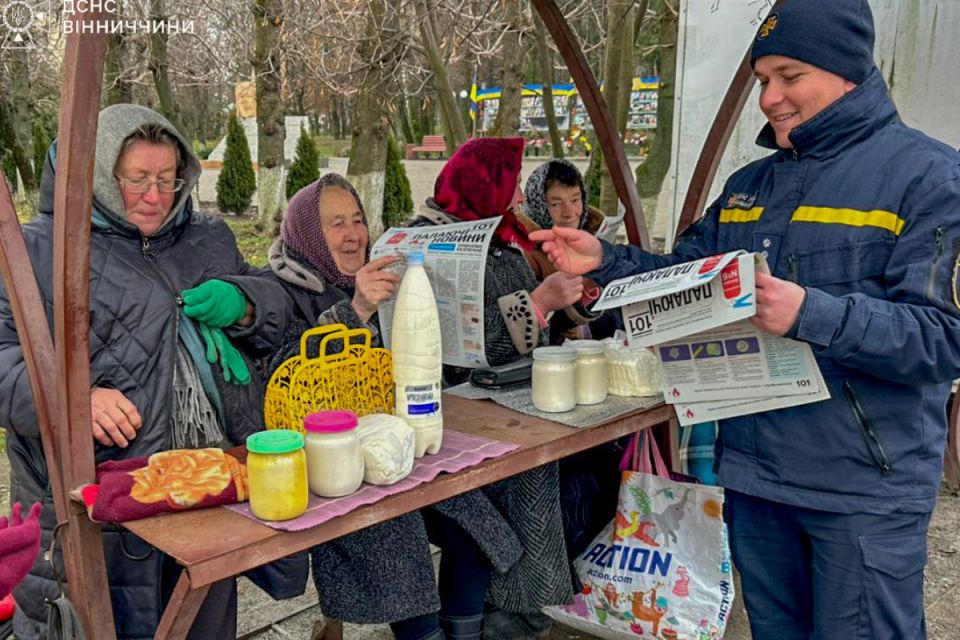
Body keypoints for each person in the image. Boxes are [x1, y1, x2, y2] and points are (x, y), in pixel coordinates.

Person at [531, 2, 960, 638]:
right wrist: (609, 260)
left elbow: (944, 336)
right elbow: (683, 275)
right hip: (757, 480)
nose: (770, 99)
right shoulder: (748, 187)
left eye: (789, 76)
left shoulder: (929, 176)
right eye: (762, 80)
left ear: (847, 69)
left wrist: (812, 313)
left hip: (862, 491)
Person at [0, 104, 300, 639]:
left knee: (205, 620)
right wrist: (75, 399)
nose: (155, 196)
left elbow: (275, 306)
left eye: (167, 179)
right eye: (137, 179)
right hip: (90, 503)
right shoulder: (35, 252)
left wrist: (245, 302)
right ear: (97, 176)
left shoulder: (206, 238)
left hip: (205, 486)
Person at [265, 170, 574, 640]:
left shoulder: (381, 275)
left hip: (401, 449)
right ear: (308, 231)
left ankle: (469, 631)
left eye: (356, 219)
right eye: (334, 224)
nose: (352, 235)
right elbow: (285, 375)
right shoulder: (280, 291)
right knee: (396, 535)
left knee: (476, 524)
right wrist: (357, 309)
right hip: (336, 469)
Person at [519, 158, 620, 344]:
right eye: (556, 204)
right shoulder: (526, 253)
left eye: (575, 200)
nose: (569, 212)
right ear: (538, 205)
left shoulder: (590, 237)